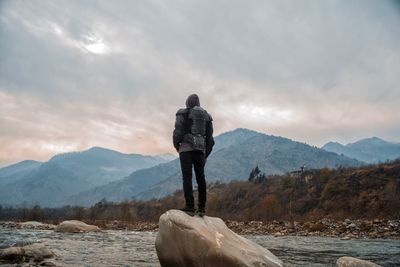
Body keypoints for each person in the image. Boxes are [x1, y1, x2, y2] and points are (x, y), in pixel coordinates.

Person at [173, 94, 214, 216]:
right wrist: (205, 153)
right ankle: (201, 208)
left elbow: (178, 131)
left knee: (187, 177)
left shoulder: (182, 113)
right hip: (200, 150)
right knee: (201, 179)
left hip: (186, 149)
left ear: (187, 102)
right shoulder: (207, 116)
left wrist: (177, 145)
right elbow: (210, 139)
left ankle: (190, 206)